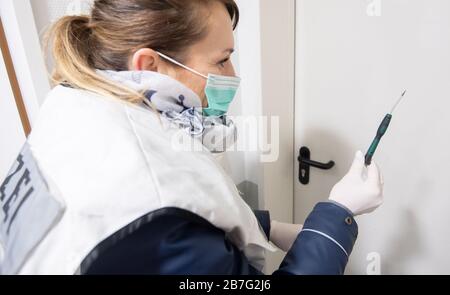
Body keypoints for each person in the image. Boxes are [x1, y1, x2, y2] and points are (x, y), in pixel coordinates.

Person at [0, 0, 383, 275]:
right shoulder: (149, 202)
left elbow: (191, 211)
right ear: (149, 65)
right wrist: (338, 214)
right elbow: (162, 216)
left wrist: (269, 228)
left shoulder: (75, 103)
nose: (232, 74)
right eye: (220, 60)